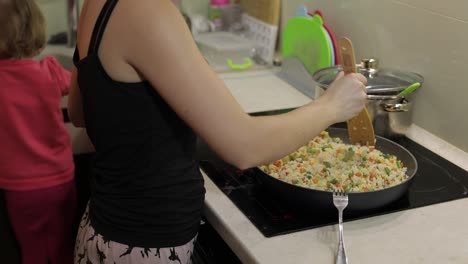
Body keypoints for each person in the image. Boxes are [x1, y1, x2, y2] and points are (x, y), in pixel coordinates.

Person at [68, 0, 367, 263]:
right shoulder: (148, 10)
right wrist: (333, 106)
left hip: (101, 232)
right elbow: (245, 147)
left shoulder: (97, 5)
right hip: (144, 247)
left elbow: (80, 112)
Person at [0, 0, 77, 264]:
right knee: (64, 247)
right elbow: (78, 88)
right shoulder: (50, 71)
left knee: (31, 251)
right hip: (60, 179)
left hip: (19, 188)